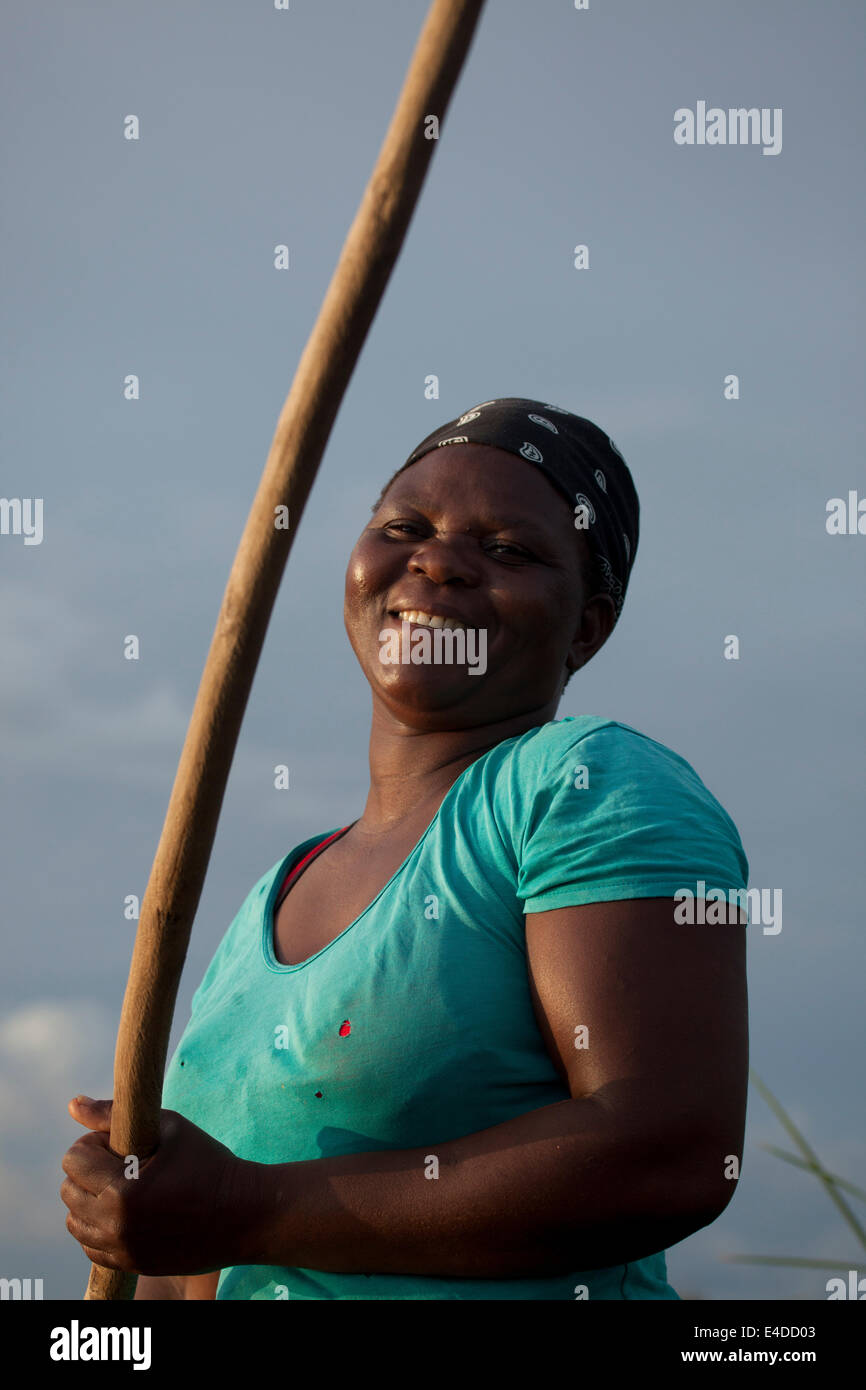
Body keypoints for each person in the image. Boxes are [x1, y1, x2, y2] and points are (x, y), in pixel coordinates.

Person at [61, 396, 749, 1300]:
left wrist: (245, 1208)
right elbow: (188, 1267)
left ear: (586, 625)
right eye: (404, 525)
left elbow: (668, 1151)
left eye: (507, 550)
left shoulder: (583, 784)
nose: (437, 560)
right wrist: (148, 1223)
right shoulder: (279, 888)